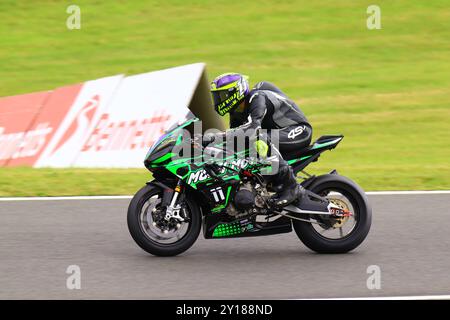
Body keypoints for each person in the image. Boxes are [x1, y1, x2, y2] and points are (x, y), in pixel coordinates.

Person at [208, 73, 313, 208]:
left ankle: (292, 188)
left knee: (259, 137)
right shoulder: (236, 112)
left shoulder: (257, 98)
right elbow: (235, 139)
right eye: (216, 96)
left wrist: (215, 136)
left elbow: (253, 128)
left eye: (221, 96)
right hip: (277, 134)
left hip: (298, 130)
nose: (217, 100)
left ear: (234, 92)